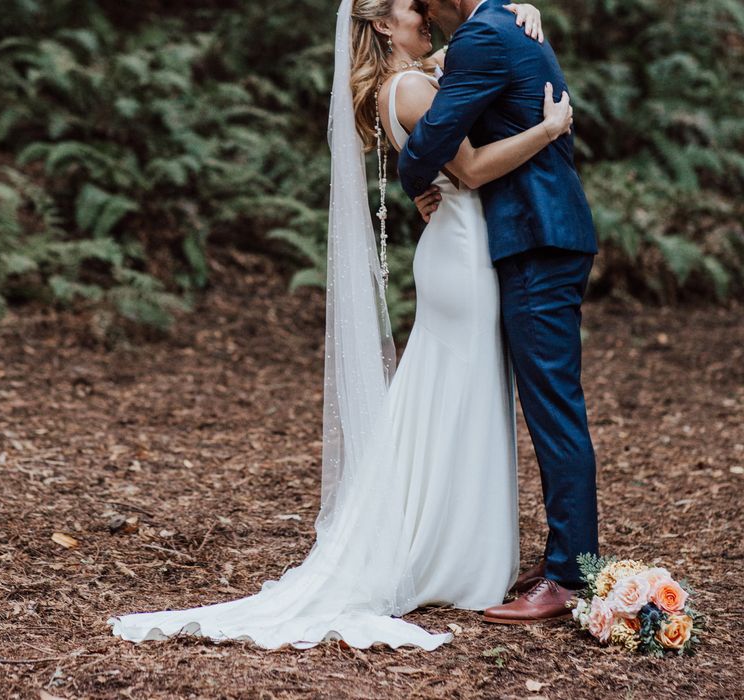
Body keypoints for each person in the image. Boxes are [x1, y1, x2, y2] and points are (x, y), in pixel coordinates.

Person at [108, 0, 573, 650]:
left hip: (454, 247)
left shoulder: (402, 83)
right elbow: (466, 168)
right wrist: (551, 129)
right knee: (461, 397)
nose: (425, 16)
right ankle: (455, 554)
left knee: (442, 396)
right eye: (412, 10)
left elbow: (461, 65)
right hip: (463, 253)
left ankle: (448, 541)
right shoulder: (410, 88)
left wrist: (517, 4)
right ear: (383, 26)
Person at [398, 0, 600, 625]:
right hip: (540, 234)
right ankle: (570, 555)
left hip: (538, 236)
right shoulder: (504, 24)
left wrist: (410, 178)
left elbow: (428, 144)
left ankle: (570, 575)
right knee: (551, 403)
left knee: (553, 406)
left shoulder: (485, 35)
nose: (425, 11)